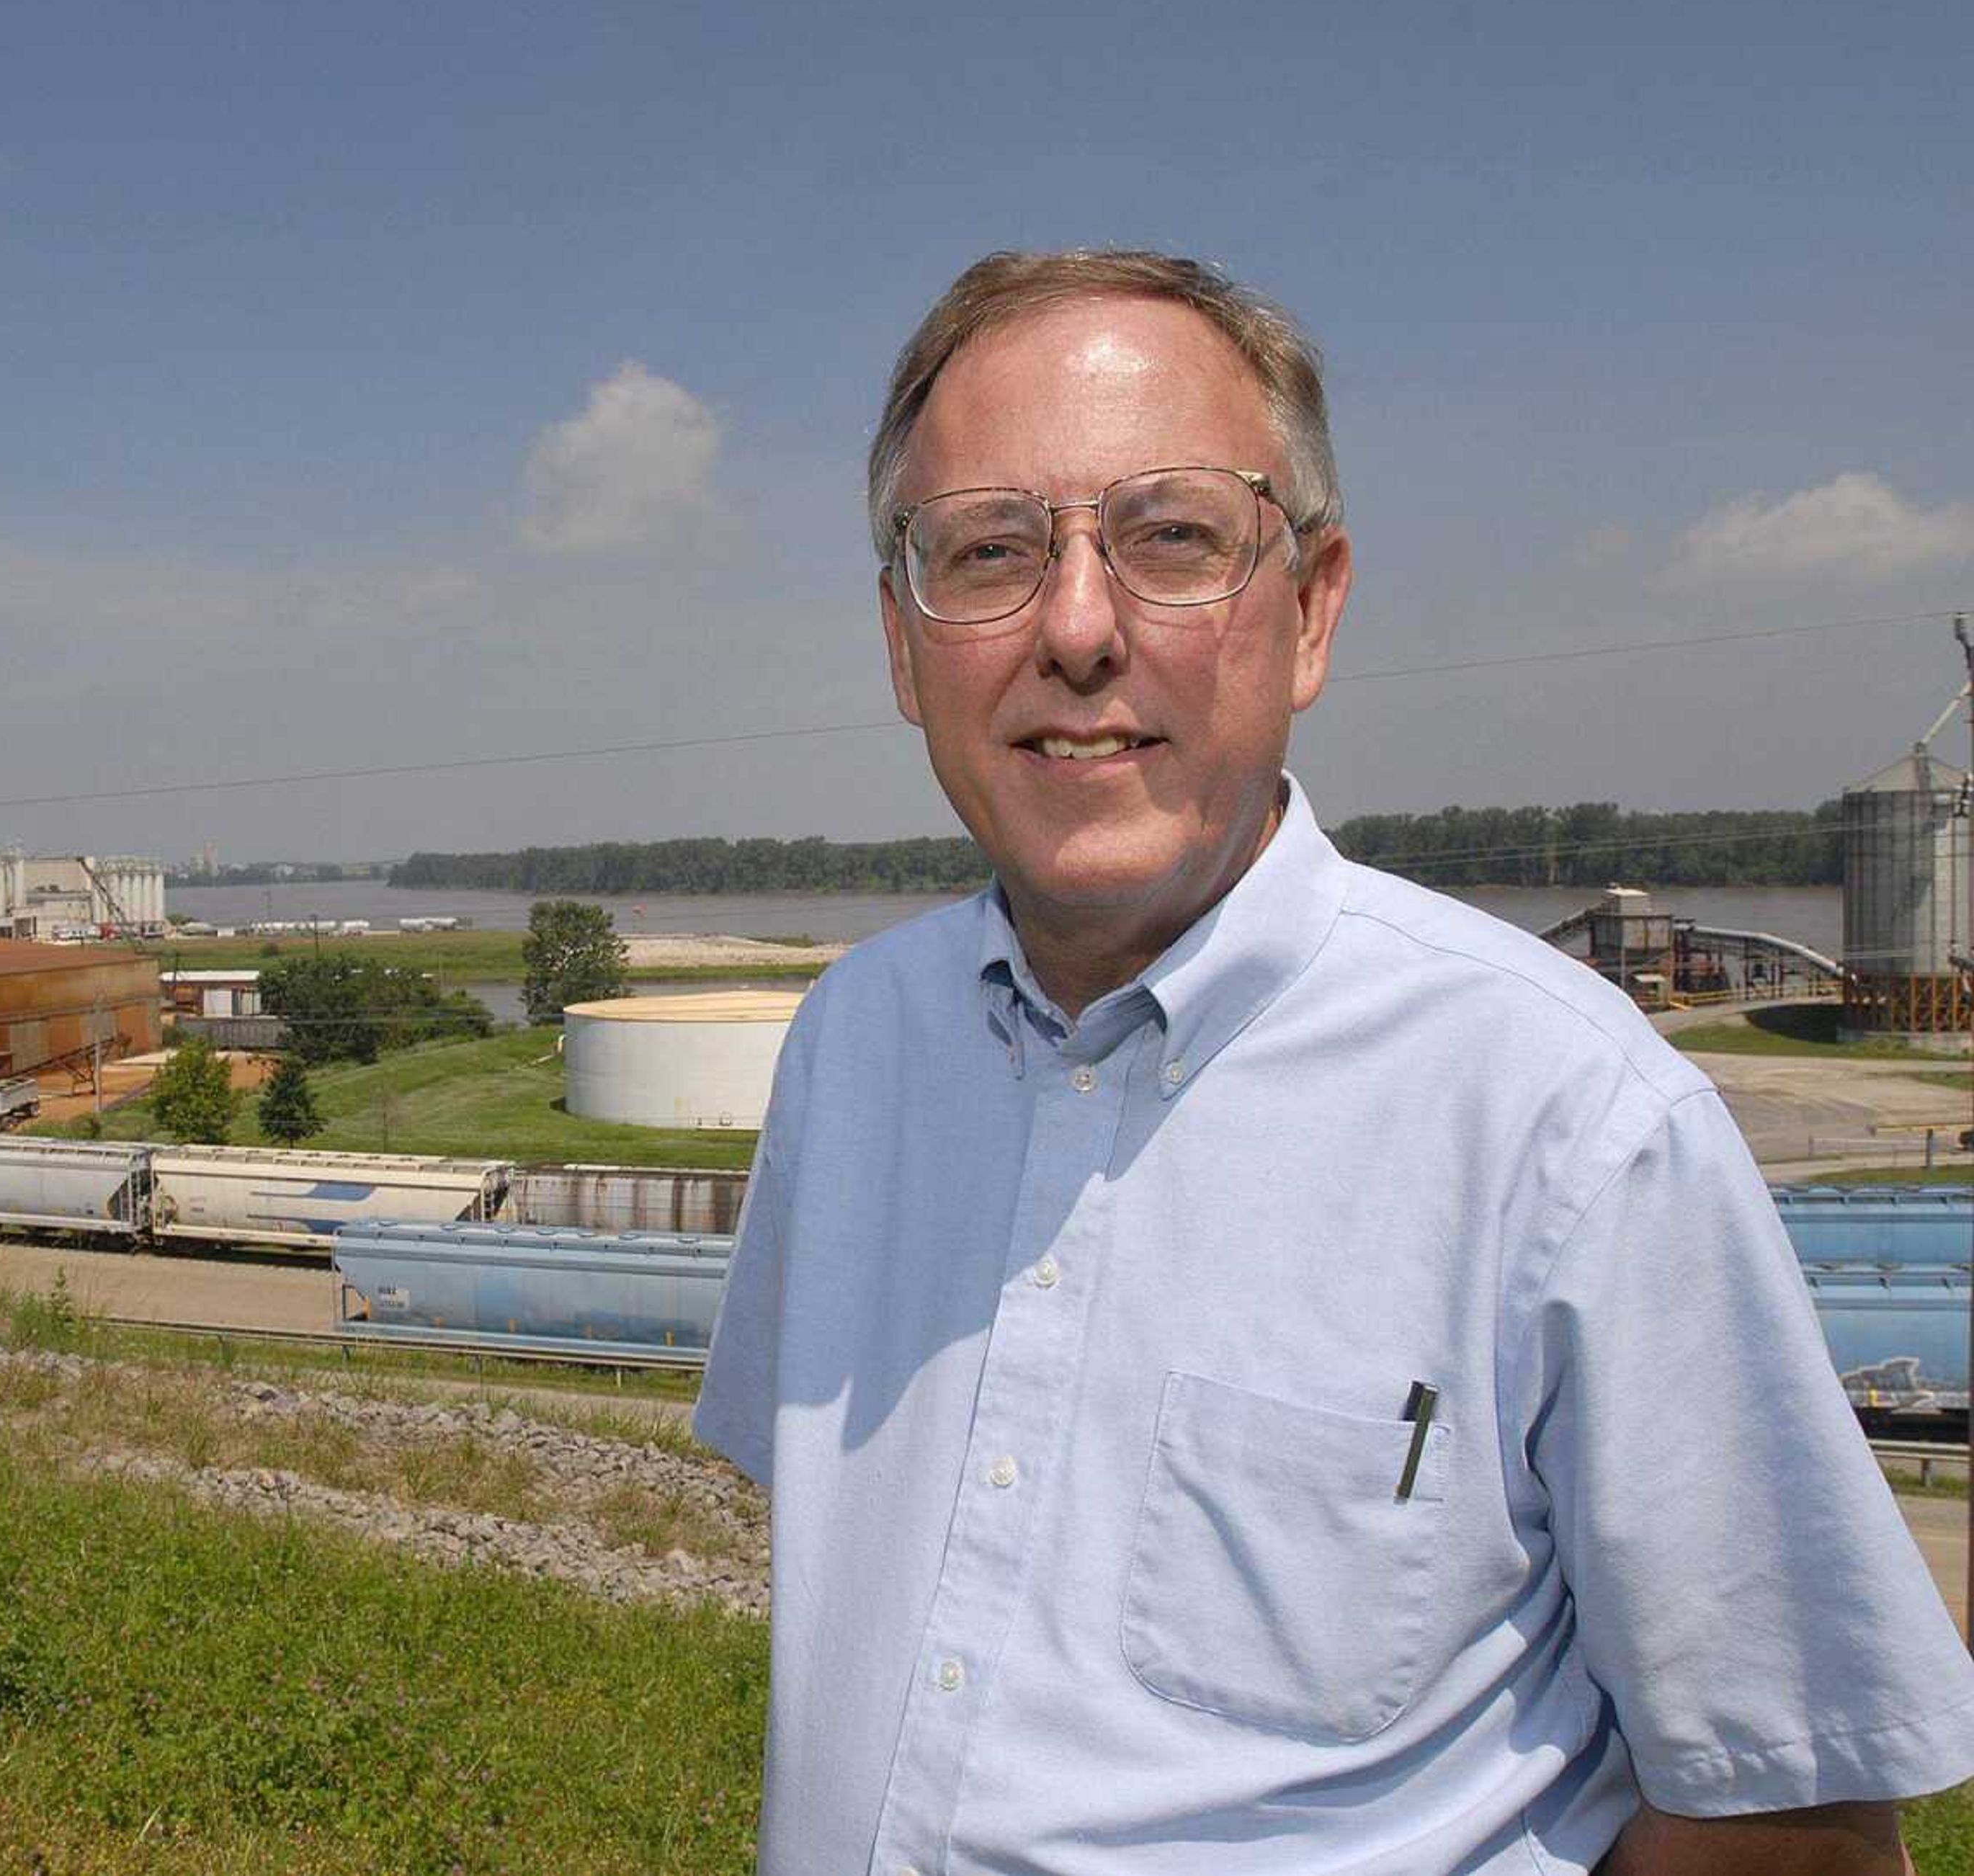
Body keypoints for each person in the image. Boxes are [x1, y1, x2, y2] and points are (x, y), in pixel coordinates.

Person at [692, 249, 1974, 1876]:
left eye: (1171, 539)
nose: (1079, 628)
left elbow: (1788, 1820)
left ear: (1312, 610)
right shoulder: (851, 1048)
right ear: (902, 641)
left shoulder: (1569, 1125)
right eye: (992, 550)